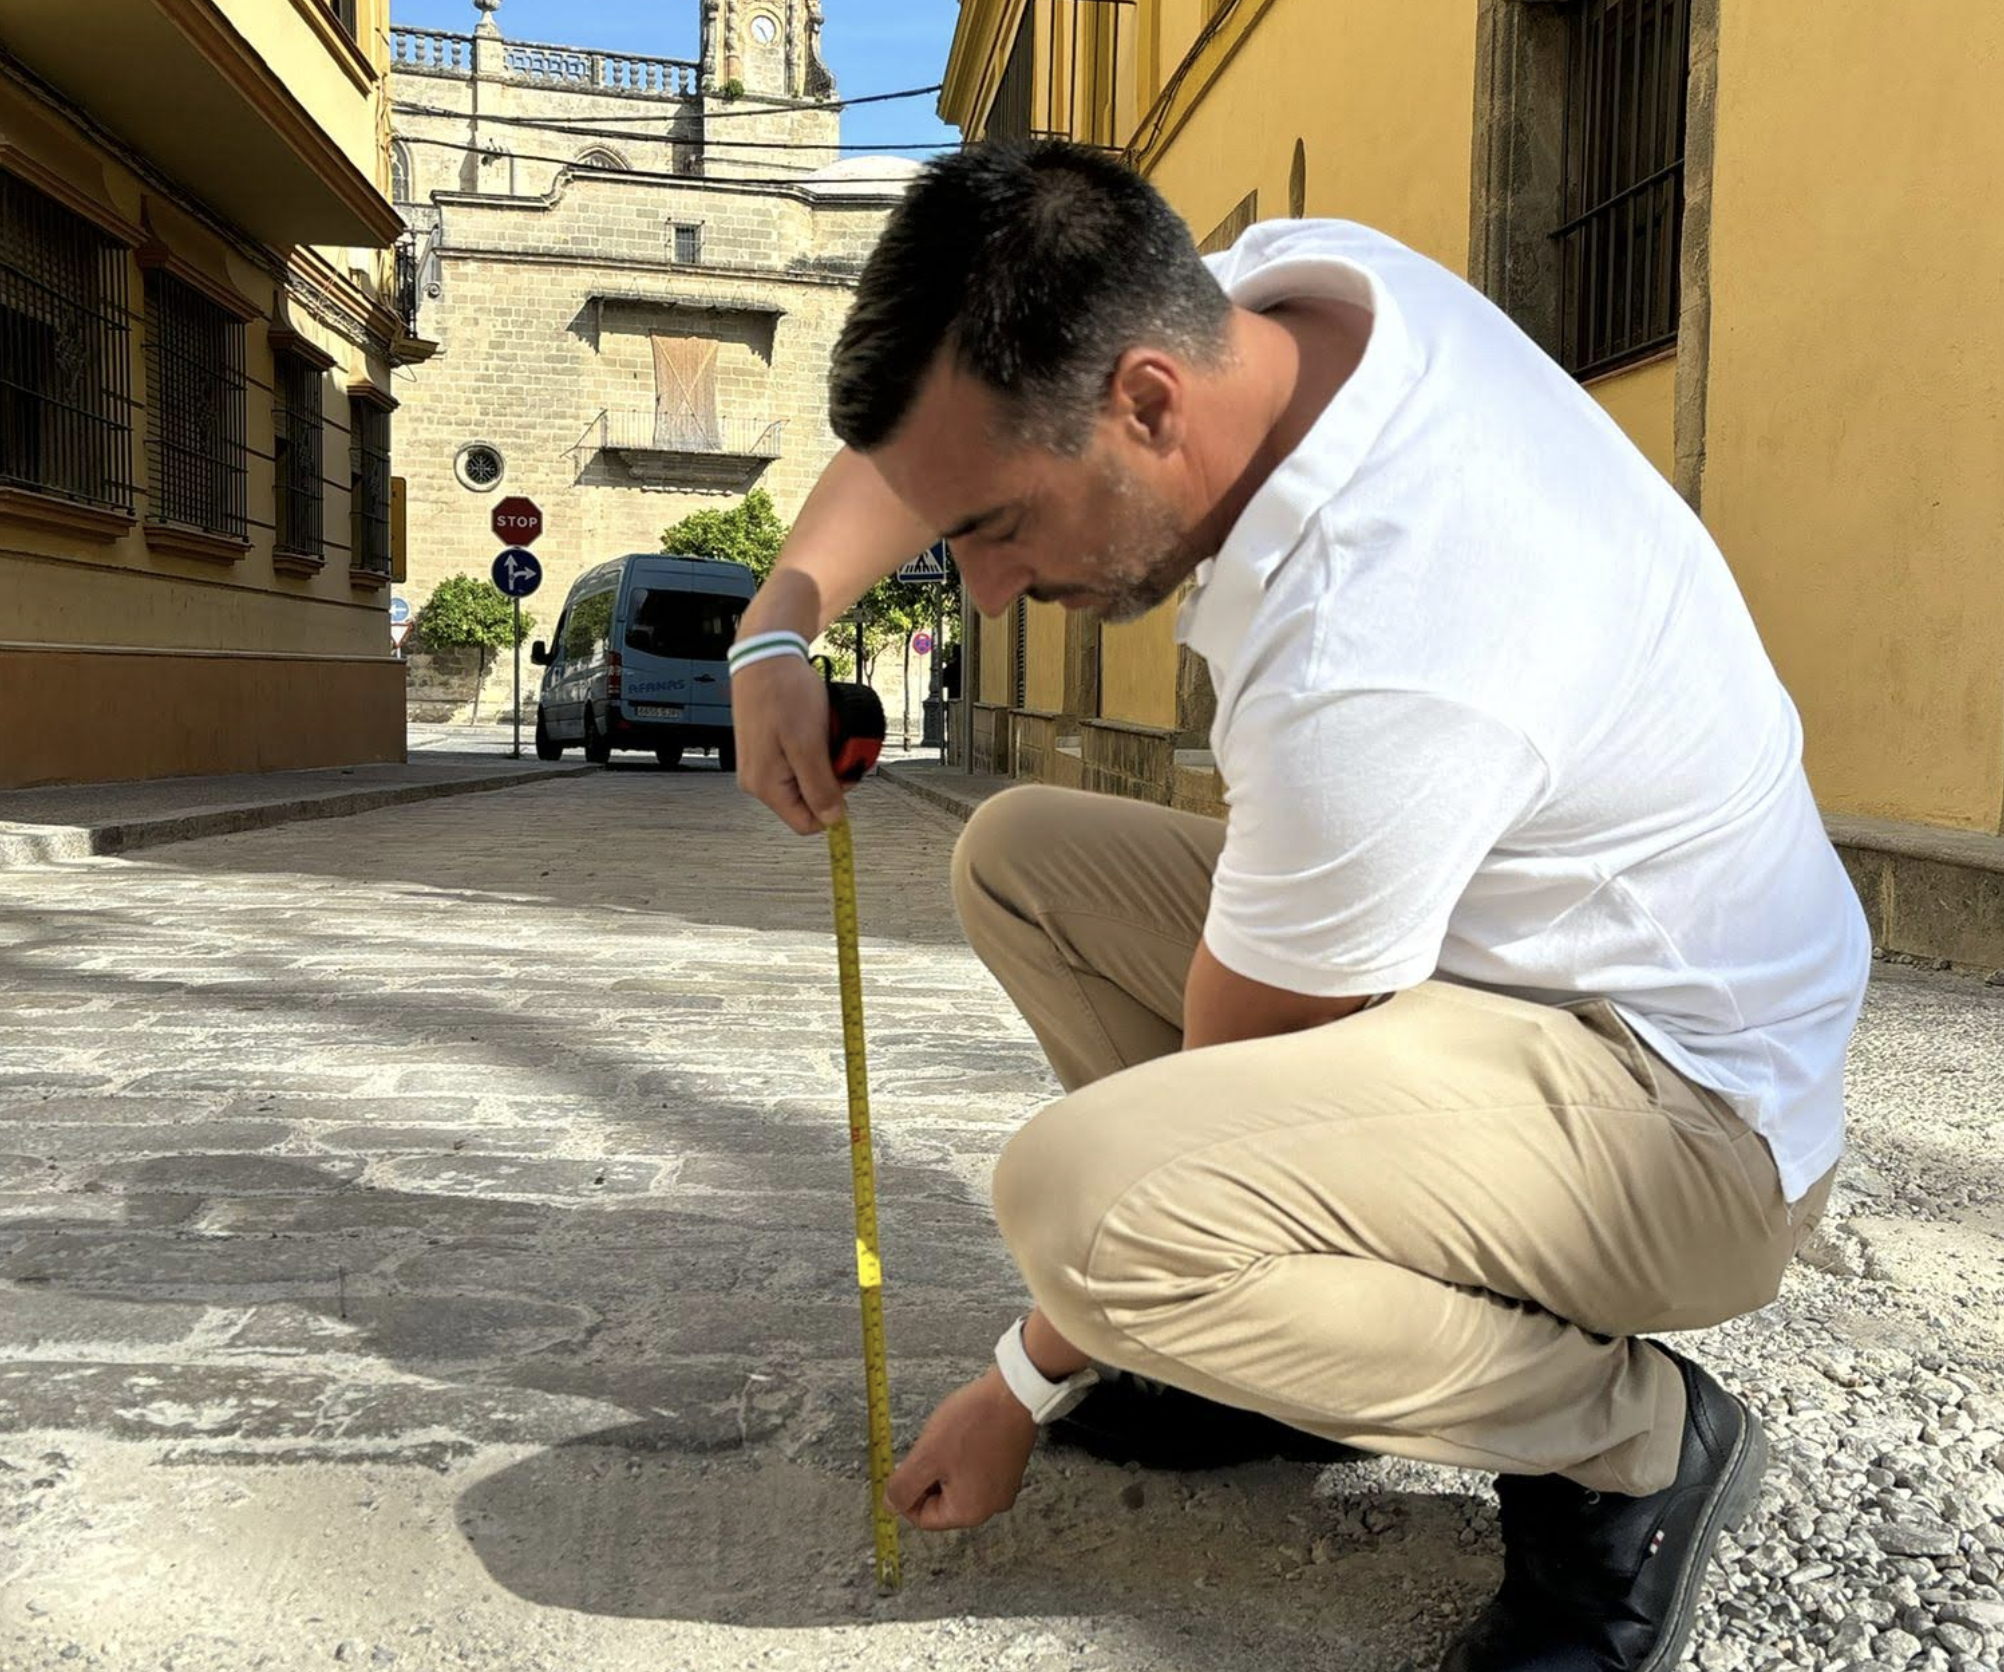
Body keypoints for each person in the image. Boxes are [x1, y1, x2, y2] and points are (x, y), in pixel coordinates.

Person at [725, 140, 1868, 1672]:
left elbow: (1230, 1074)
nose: (983, 593)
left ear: (1147, 406)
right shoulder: (1273, 304)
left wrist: (1024, 1381)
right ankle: (1253, 1361)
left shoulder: (1378, 634)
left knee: (1090, 1211)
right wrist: (777, 626)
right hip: (1521, 985)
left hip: (1691, 1126)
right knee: (1023, 861)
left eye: (998, 527)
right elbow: (935, 443)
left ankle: (1632, 1444)